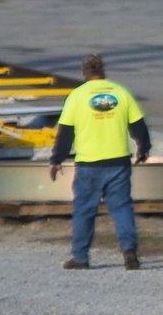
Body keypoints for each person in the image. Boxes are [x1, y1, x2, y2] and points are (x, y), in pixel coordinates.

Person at [51, 54, 151, 270]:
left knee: (84, 210)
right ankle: (129, 251)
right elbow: (138, 125)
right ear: (103, 70)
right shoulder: (121, 92)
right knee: (122, 207)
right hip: (118, 160)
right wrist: (143, 148)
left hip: (89, 163)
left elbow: (66, 132)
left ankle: (80, 257)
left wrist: (57, 159)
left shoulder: (77, 96)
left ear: (84, 72)